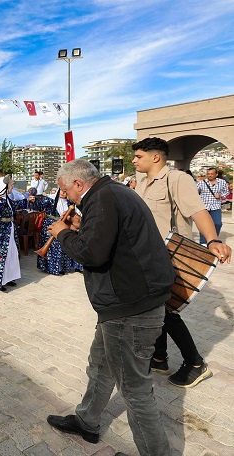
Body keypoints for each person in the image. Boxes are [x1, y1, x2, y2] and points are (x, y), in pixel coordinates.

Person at [46, 159, 175, 456]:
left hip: (130, 309)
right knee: (100, 364)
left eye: (65, 189)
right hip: (122, 307)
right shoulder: (109, 193)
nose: (64, 196)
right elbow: (107, 241)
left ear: (79, 183)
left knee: (133, 391)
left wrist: (62, 233)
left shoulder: (103, 197)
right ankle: (87, 421)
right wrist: (80, 229)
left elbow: (92, 254)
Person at [132, 137, 231, 387]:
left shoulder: (177, 179)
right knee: (159, 308)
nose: (134, 161)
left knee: (167, 310)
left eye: (139, 156)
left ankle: (195, 364)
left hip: (170, 254)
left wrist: (212, 241)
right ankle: (159, 357)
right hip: (147, 255)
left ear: (156, 157)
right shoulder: (141, 183)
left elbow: (198, 211)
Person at [0, 177, 31, 291]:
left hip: (10, 230)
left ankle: (8, 278)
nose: (11, 187)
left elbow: (17, 205)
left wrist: (29, 199)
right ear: (3, 187)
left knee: (11, 254)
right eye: (9, 186)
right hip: (0, 232)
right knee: (0, 256)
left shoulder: (7, 199)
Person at [32, 188, 83, 275]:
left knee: (62, 246)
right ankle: (51, 268)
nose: (63, 193)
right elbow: (38, 207)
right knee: (51, 247)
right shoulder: (50, 199)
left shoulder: (69, 202)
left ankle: (62, 267)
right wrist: (33, 201)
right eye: (62, 191)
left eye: (65, 192)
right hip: (49, 224)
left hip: (62, 224)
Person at [196, 167, 230, 244]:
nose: (210, 175)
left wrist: (220, 195)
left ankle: (213, 239)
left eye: (212, 174)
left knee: (218, 224)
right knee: (204, 225)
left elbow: (227, 192)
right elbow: (194, 192)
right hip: (204, 207)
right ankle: (203, 242)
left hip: (216, 206)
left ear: (216, 174)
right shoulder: (202, 183)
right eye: (208, 174)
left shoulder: (222, 182)